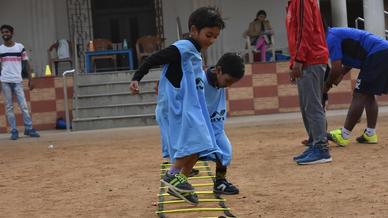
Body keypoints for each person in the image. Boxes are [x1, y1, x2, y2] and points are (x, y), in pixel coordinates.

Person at [129, 7, 225, 205]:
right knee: (197, 141)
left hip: (189, 108)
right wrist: (137, 77)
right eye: (208, 35)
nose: (211, 40)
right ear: (194, 30)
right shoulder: (182, 47)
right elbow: (153, 58)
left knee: (202, 144)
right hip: (176, 108)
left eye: (215, 37)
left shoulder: (194, 52)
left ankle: (178, 179)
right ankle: (173, 175)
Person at [285, 0, 332, 165]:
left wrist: (298, 59)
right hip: (306, 59)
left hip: (310, 59)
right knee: (307, 106)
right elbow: (296, 34)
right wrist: (294, 62)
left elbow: (305, 30)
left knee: (312, 105)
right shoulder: (293, 3)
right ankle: (314, 143)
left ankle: (321, 148)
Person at [325, 27, 388, 146]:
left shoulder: (330, 37)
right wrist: (342, 74)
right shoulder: (334, 35)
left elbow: (336, 68)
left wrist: (327, 85)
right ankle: (370, 134)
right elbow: (348, 60)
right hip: (382, 52)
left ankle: (343, 135)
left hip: (377, 54)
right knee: (368, 94)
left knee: (359, 94)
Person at [203, 53, 244, 195]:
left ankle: (220, 182)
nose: (229, 86)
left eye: (232, 82)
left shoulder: (220, 82)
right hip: (200, 129)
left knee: (225, 151)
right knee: (191, 154)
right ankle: (177, 176)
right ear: (218, 70)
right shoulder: (201, 83)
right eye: (228, 81)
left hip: (216, 128)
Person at [0, 24, 40, 140]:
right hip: (5, 81)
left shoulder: (19, 47)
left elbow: (26, 63)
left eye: (7, 32)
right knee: (9, 107)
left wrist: (30, 79)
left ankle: (28, 129)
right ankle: (14, 131)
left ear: (12, 33)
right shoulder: (0, 49)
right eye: (3, 32)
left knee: (24, 106)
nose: (5, 34)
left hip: (17, 80)